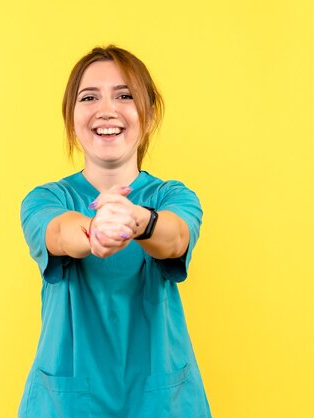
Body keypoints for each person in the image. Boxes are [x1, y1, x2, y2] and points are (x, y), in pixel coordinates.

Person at [18, 45, 212, 418]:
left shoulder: (173, 196)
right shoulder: (45, 199)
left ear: (149, 115)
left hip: (162, 403)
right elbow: (58, 233)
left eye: (124, 95)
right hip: (66, 403)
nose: (106, 109)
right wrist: (95, 229)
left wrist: (137, 220)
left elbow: (175, 238)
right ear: (71, 119)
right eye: (89, 97)